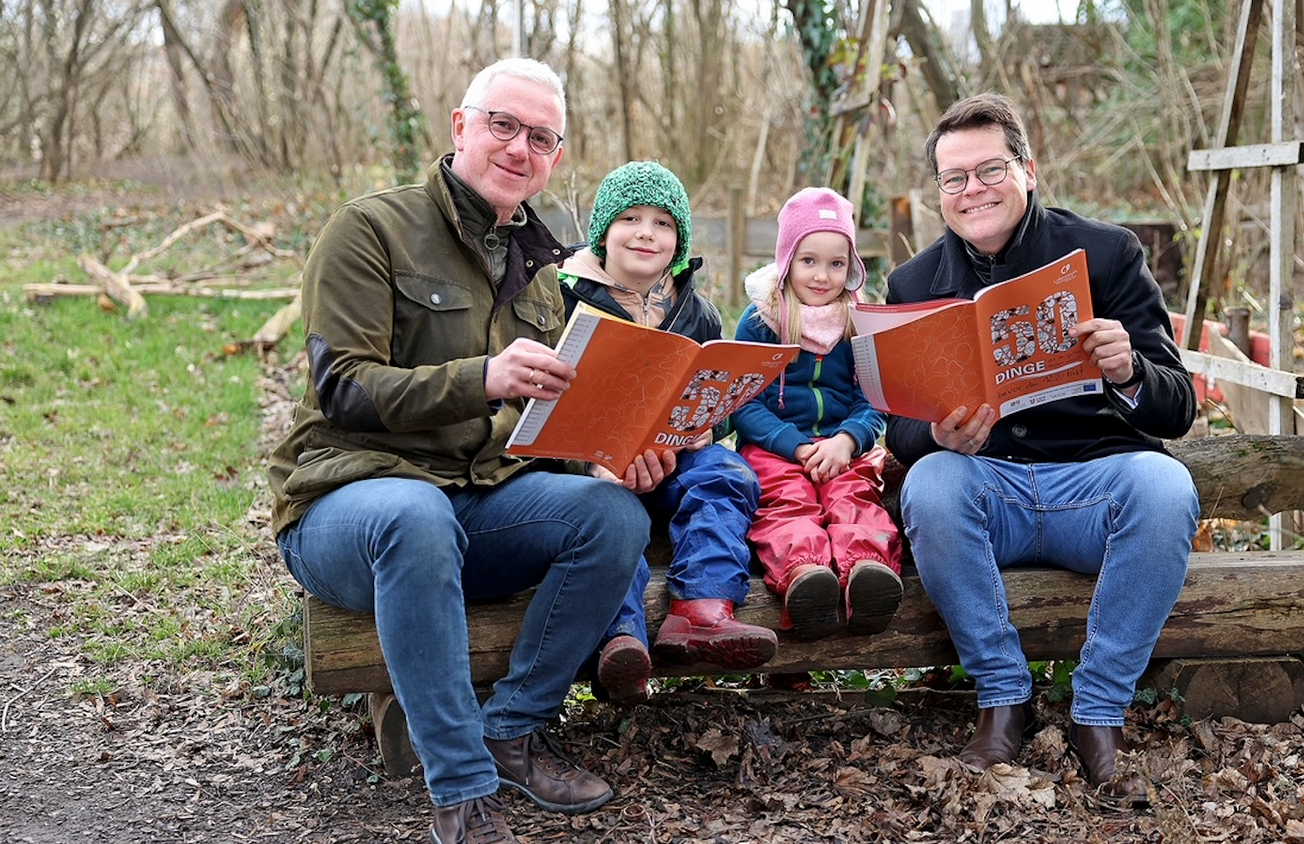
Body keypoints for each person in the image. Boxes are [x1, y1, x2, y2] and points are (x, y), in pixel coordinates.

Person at [269, 58, 661, 844]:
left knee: (611, 516)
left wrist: (604, 454)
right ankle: (461, 789)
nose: (520, 149)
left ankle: (510, 731)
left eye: (541, 138)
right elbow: (342, 387)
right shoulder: (369, 228)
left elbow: (546, 420)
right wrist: (480, 378)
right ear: (460, 126)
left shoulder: (542, 276)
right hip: (350, 505)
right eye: (502, 126)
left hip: (476, 505)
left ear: (556, 156)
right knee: (414, 517)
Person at [885, 92, 1200, 804]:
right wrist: (935, 433)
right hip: (986, 501)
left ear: (1029, 170)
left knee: (1167, 487)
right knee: (931, 482)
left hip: (1092, 497)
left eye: (989, 170)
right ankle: (1003, 697)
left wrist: (1128, 370)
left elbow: (1177, 407)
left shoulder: (1107, 252)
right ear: (939, 192)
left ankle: (1098, 711)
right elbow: (897, 429)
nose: (972, 191)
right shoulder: (913, 282)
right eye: (954, 178)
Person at [557, 160, 779, 705]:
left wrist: (707, 425)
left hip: (673, 459)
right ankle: (622, 640)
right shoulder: (562, 299)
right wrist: (593, 464)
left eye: (663, 223)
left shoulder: (695, 310)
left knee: (728, 471)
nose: (645, 233)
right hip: (596, 468)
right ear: (603, 231)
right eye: (629, 219)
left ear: (678, 240)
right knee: (609, 513)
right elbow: (541, 407)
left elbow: (717, 394)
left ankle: (702, 610)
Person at [730, 187, 903, 640]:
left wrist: (846, 441)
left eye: (836, 263)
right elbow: (744, 400)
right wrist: (797, 445)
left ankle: (868, 571)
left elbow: (873, 400)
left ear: (851, 268)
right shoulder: (760, 321)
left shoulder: (858, 321)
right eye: (809, 261)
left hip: (843, 449)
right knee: (788, 500)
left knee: (854, 494)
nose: (822, 275)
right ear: (787, 260)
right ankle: (805, 575)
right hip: (777, 450)